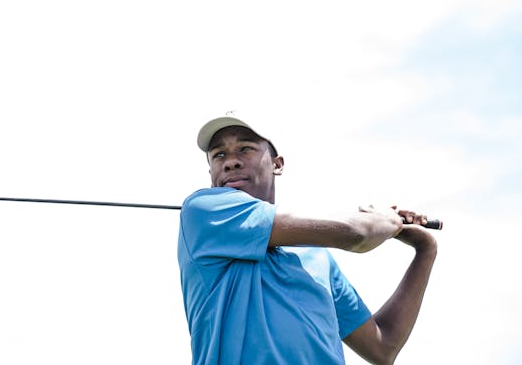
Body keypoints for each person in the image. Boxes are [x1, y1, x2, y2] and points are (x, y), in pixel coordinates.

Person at [177, 111, 438, 365]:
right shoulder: (203, 211)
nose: (230, 161)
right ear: (211, 173)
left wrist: (425, 250)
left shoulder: (316, 256)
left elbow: (383, 348)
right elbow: (358, 234)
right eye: (219, 154)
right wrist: (385, 220)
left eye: (246, 149)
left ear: (277, 164)